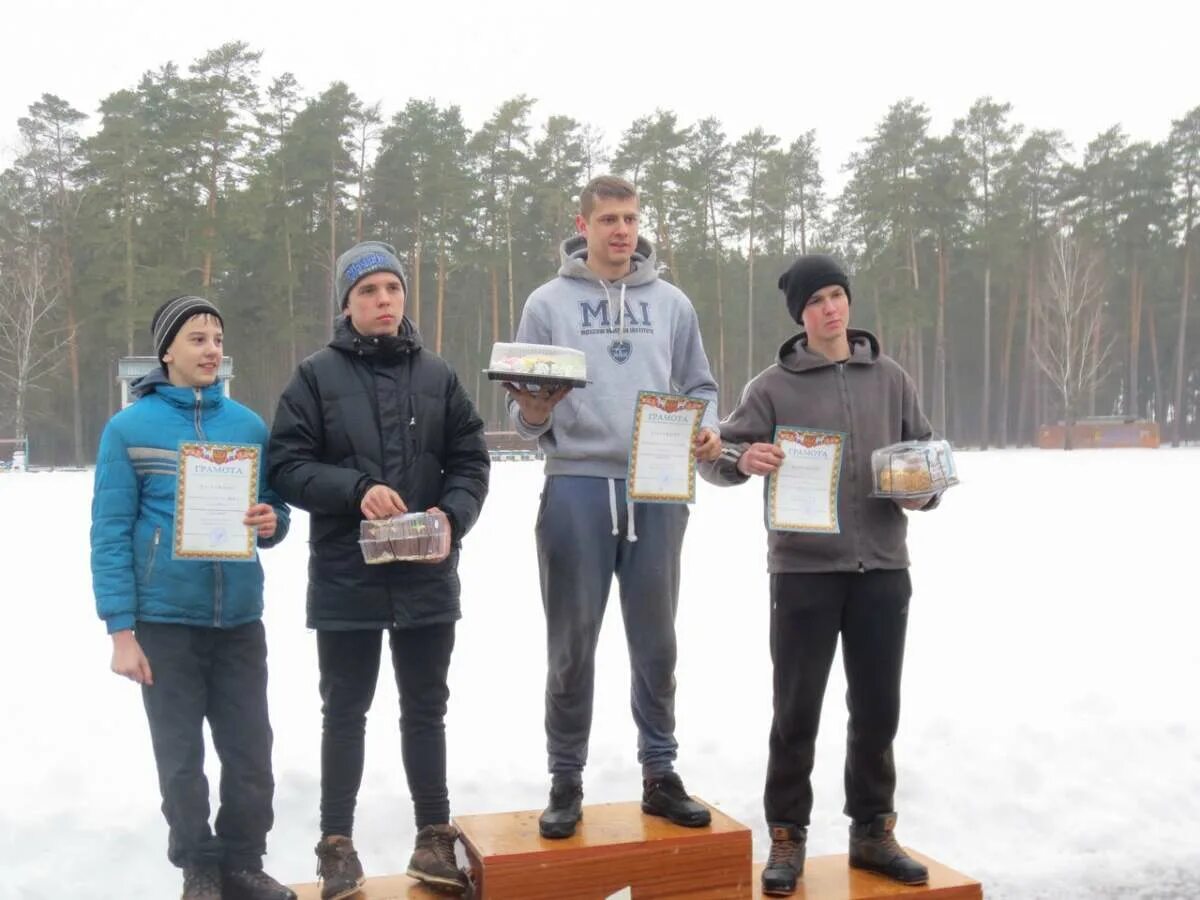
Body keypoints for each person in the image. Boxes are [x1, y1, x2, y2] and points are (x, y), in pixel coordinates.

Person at [699, 254, 938, 895]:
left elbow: (924, 454)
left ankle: (872, 832)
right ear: (800, 315)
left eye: (837, 295)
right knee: (795, 711)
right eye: (816, 301)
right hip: (804, 573)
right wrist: (743, 457)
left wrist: (923, 491)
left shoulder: (890, 378)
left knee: (877, 710)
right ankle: (787, 837)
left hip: (883, 568)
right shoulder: (772, 386)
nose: (831, 308)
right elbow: (719, 455)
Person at [267, 241, 489, 899]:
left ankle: (433, 839)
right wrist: (356, 487)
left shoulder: (439, 375)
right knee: (345, 711)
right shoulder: (314, 377)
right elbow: (286, 465)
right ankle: (337, 846)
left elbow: (471, 460)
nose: (383, 300)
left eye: (392, 288)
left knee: (426, 708)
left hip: (426, 574)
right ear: (347, 303)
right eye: (368, 291)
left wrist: (453, 514)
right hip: (346, 575)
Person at [506, 175, 721, 839]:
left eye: (630, 218)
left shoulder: (674, 304)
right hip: (577, 482)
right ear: (584, 224)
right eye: (609, 220)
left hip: (658, 488)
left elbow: (700, 384)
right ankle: (565, 777)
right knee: (571, 644)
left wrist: (707, 425)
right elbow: (523, 407)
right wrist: (536, 407)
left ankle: (660, 772)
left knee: (656, 639)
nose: (622, 231)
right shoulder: (547, 303)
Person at [91, 296, 294, 900]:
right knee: (180, 760)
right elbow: (109, 531)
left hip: (237, 620)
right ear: (168, 352)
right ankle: (199, 866)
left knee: (251, 755)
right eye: (198, 339)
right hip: (164, 621)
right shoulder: (129, 428)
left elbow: (276, 511)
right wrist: (120, 630)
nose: (211, 350)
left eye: (217, 339)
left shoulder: (248, 427)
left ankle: (244, 860)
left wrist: (270, 522)